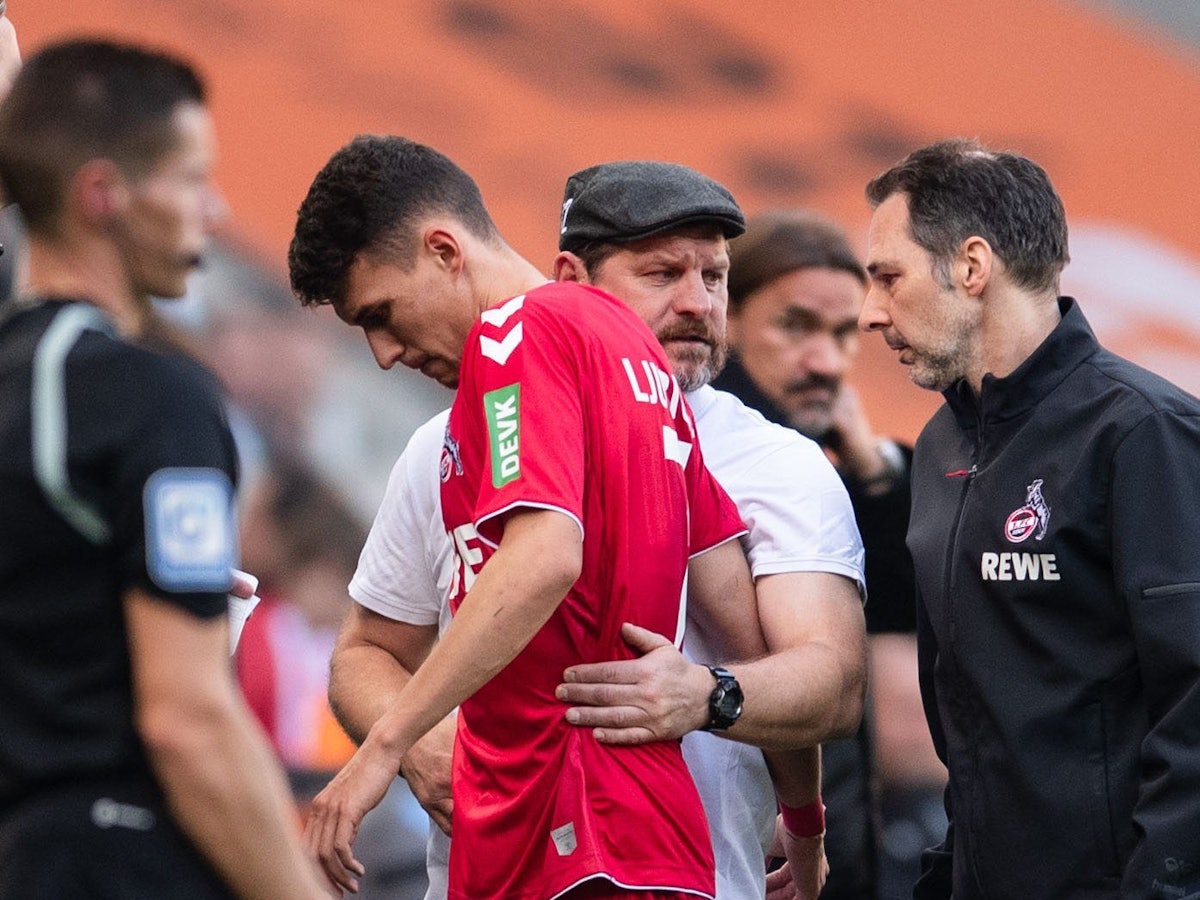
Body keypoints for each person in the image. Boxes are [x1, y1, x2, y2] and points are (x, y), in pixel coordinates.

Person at [329, 161, 869, 899]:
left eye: (713, 277)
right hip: (514, 861)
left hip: (650, 861)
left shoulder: (778, 464)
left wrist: (710, 696)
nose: (694, 303)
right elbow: (365, 651)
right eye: (660, 274)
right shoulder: (444, 442)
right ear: (572, 279)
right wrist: (415, 737)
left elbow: (831, 688)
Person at [0, 39, 327, 899]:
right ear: (103, 194)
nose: (213, 211)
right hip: (121, 855)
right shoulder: (150, 395)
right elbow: (188, 722)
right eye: (189, 178)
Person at [858, 137, 1200, 900]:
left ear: (972, 268)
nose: (869, 313)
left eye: (887, 277)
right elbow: (974, 724)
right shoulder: (939, 445)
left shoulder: (1144, 431)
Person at [713, 210, 945, 898]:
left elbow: (910, 614)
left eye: (844, 333)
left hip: (825, 841)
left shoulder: (835, 465)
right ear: (726, 320)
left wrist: (874, 472)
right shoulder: (696, 453)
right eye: (796, 325)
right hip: (734, 844)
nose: (825, 360)